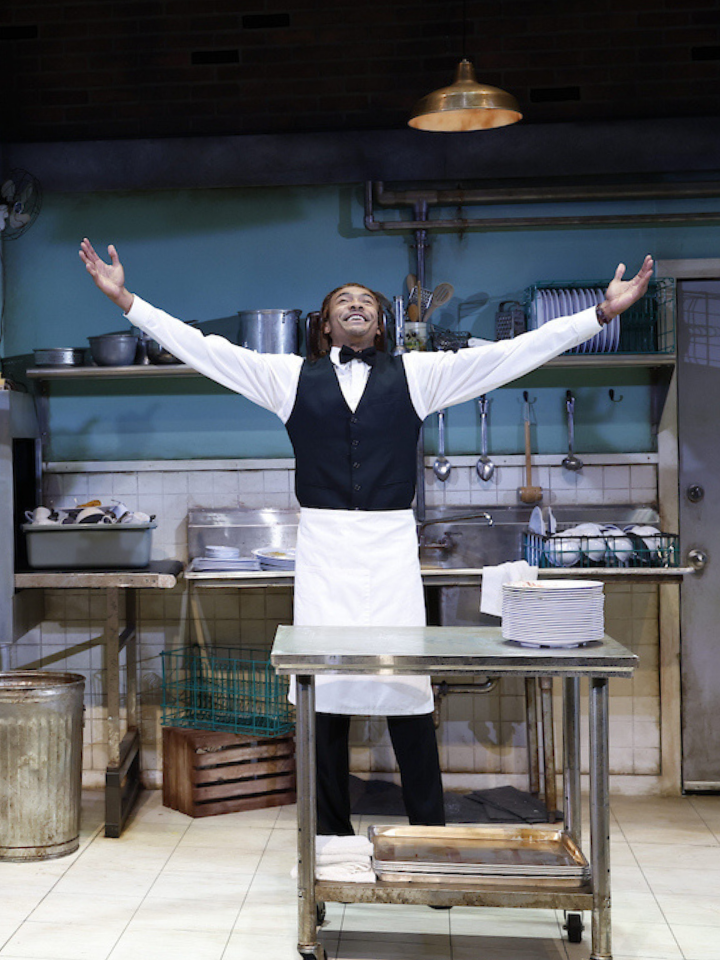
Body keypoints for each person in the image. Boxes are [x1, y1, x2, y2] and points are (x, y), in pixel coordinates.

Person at [79, 238, 654, 835]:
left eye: (367, 302)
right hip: (324, 550)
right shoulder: (287, 378)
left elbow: (511, 355)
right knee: (323, 691)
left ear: (380, 324)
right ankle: (329, 838)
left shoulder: (419, 375)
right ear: (325, 325)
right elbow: (205, 350)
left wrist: (599, 315)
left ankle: (428, 837)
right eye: (343, 301)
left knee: (408, 690)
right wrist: (126, 301)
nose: (356, 305)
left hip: (389, 551)